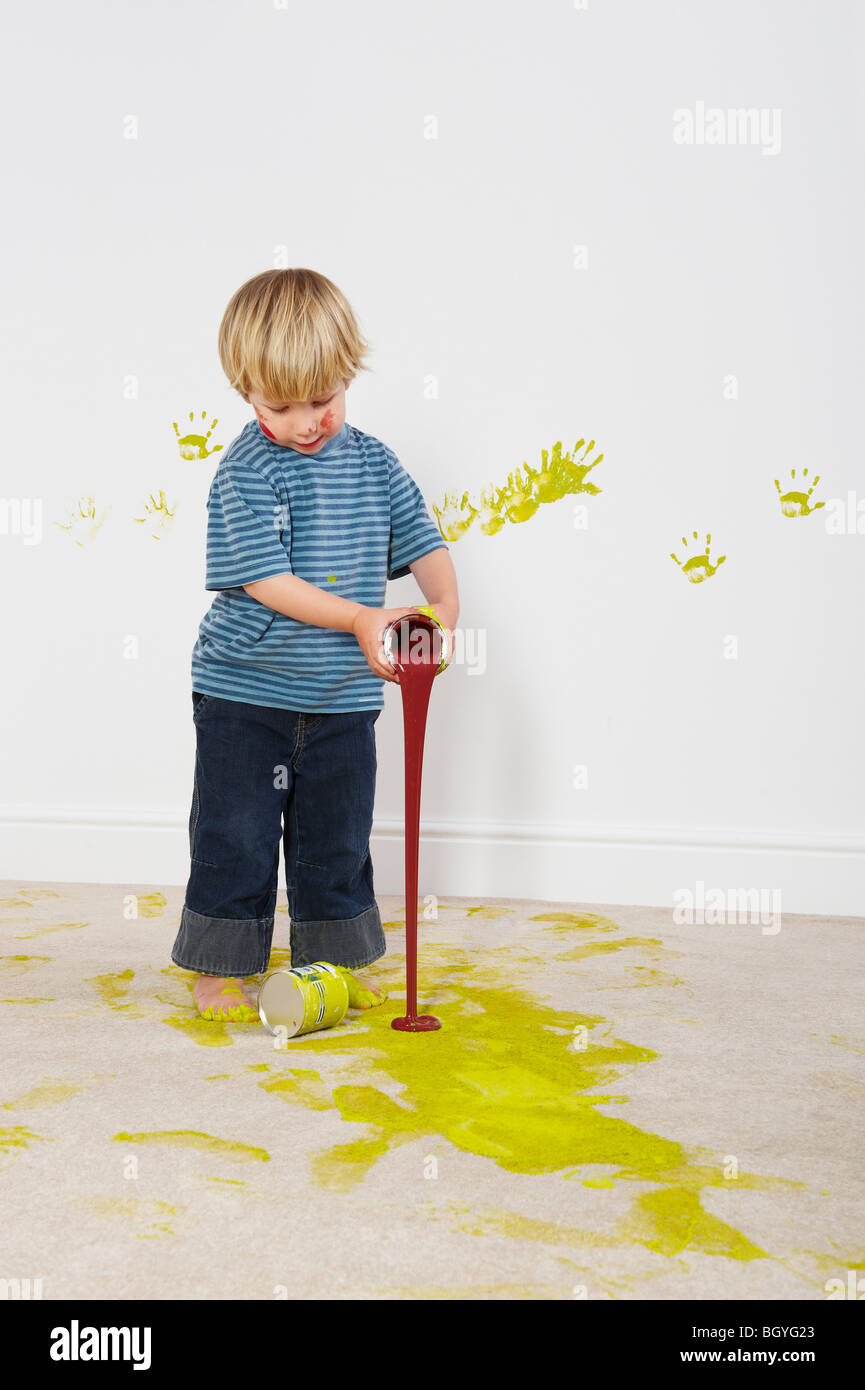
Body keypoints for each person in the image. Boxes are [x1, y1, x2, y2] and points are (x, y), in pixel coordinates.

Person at [170, 267, 460, 1021]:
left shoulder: (374, 462)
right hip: (246, 691)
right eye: (282, 405)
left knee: (335, 833)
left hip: (343, 697)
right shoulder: (245, 471)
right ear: (245, 394)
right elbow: (268, 581)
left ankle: (327, 962)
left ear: (347, 376)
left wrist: (445, 609)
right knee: (235, 832)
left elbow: (425, 544)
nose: (308, 421)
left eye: (325, 398)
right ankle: (219, 962)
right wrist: (365, 619)